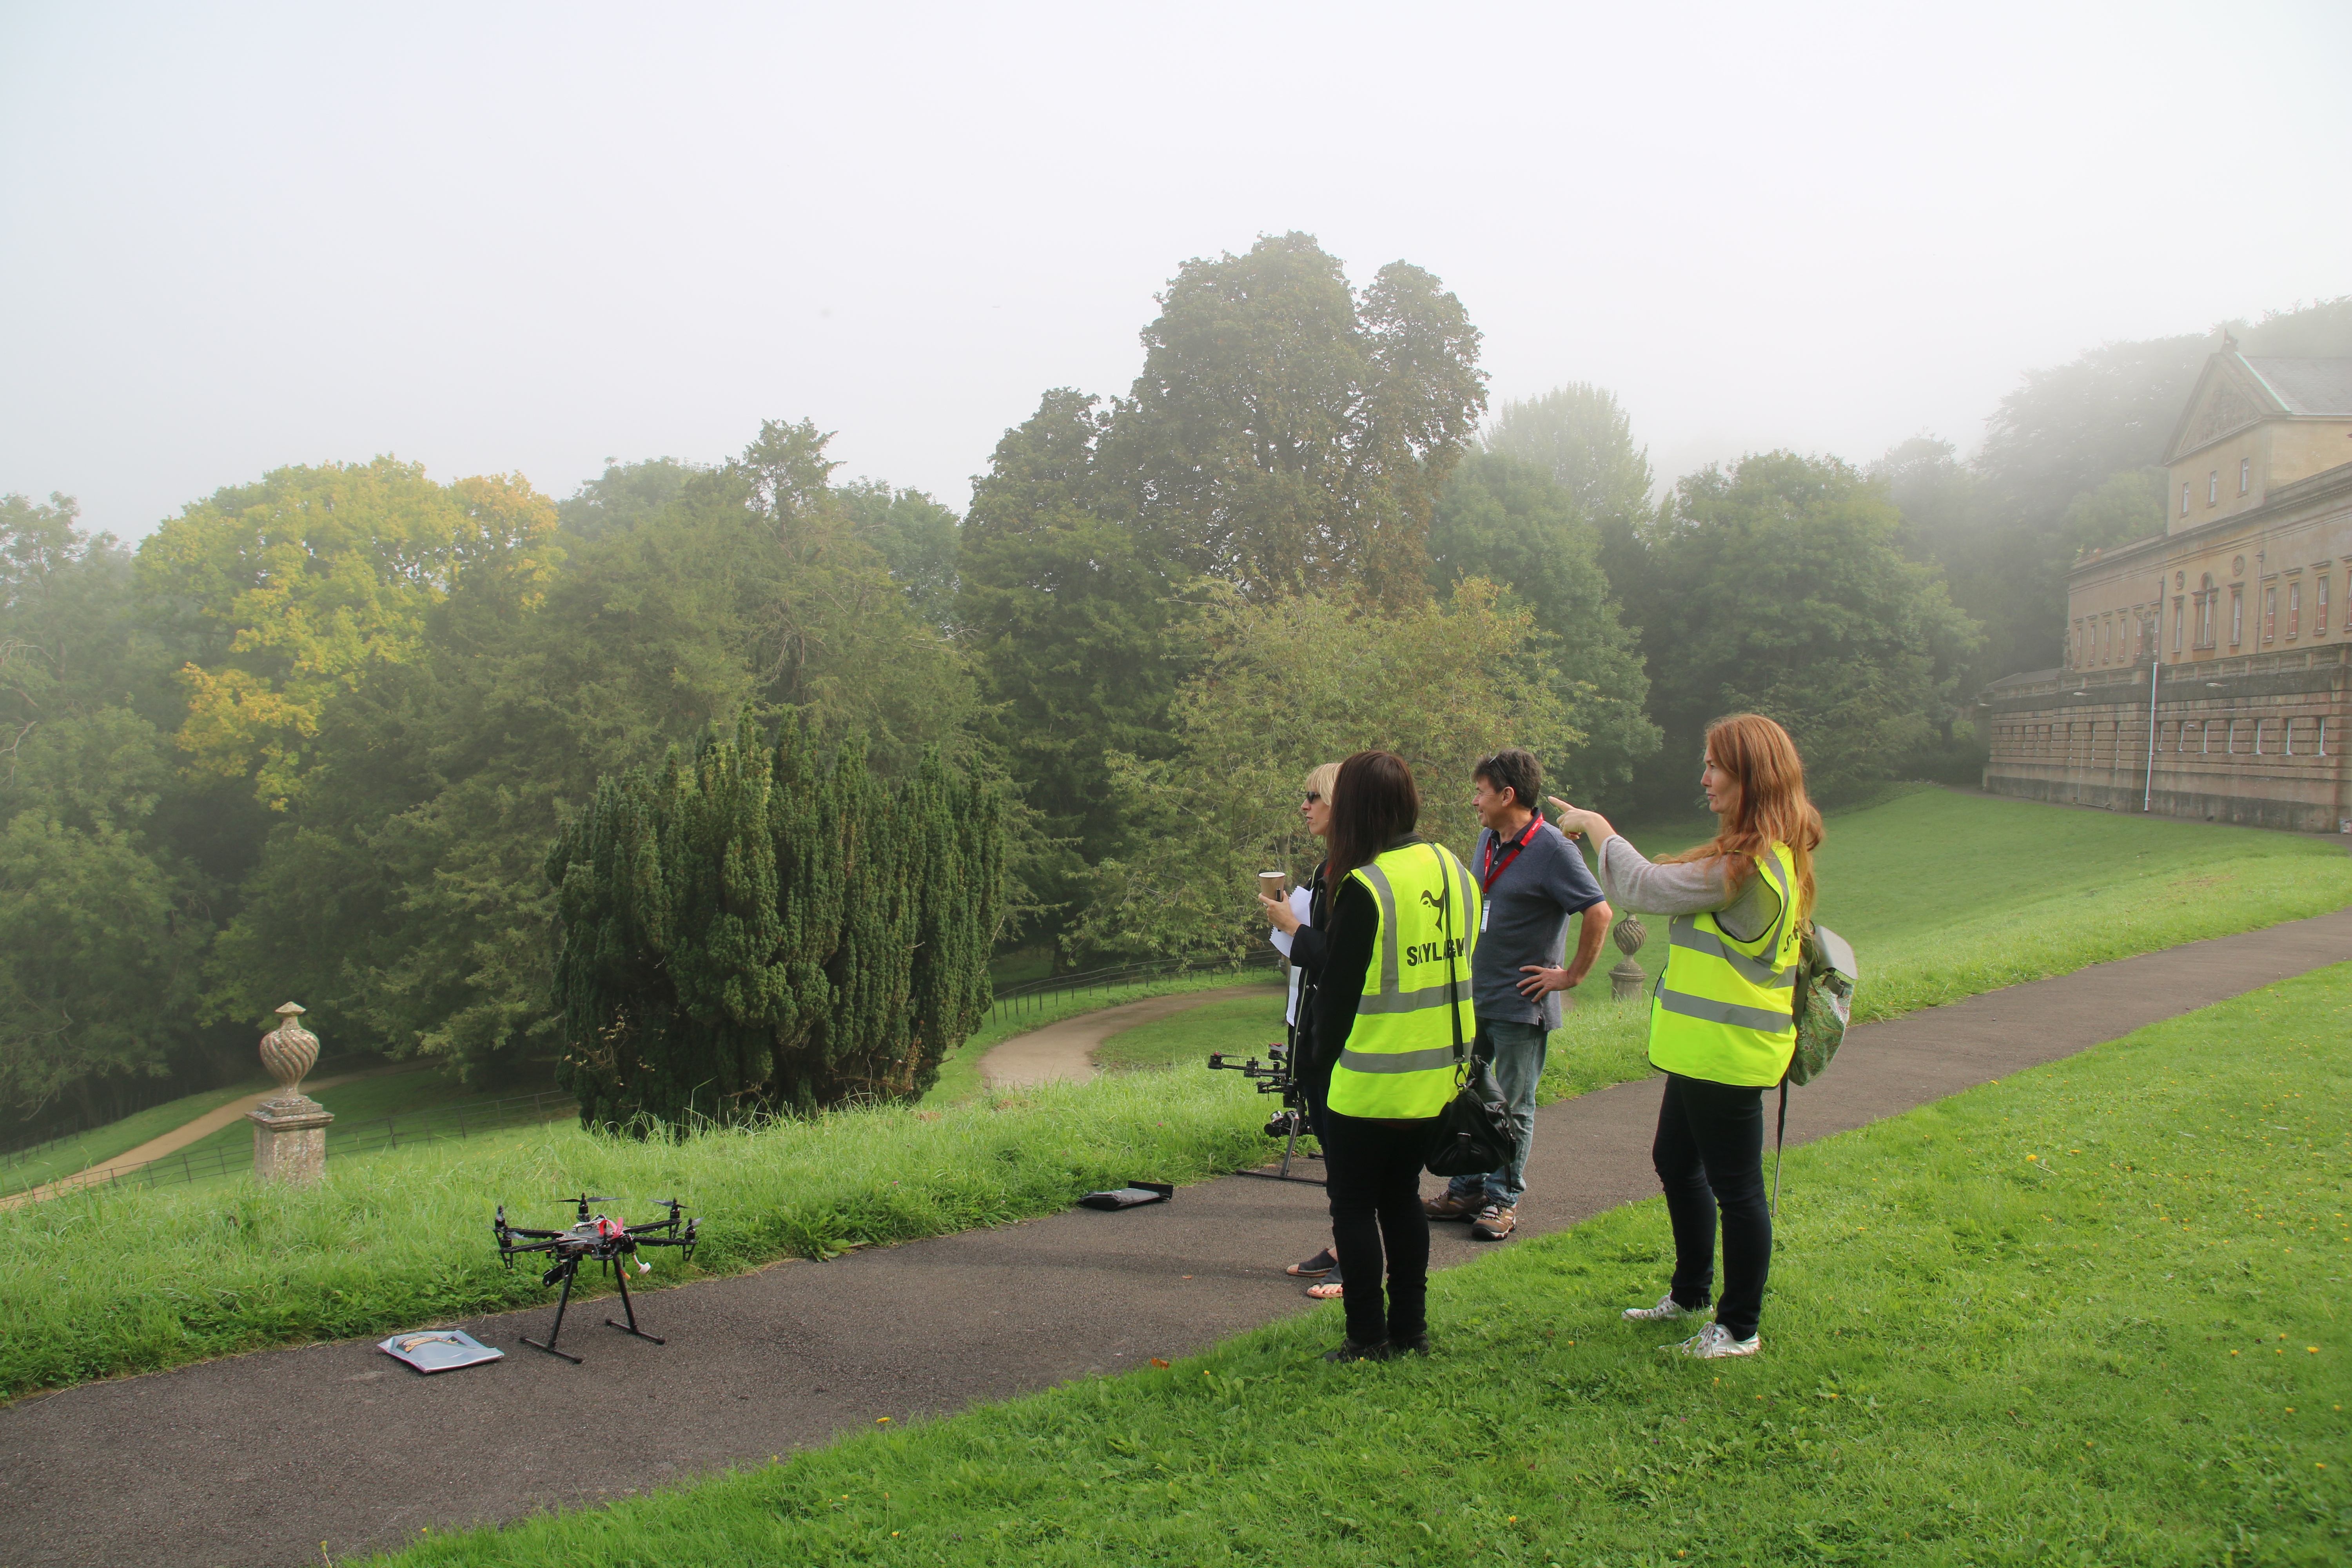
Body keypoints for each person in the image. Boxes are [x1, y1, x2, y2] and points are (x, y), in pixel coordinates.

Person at [1550, 713, 1821, 1359]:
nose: (1704, 779)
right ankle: (1694, 1294)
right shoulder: (1762, 855)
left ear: (1752, 777)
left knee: (1738, 1190)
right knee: (1677, 1162)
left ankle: (1738, 1329)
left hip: (1727, 1054)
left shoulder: (1748, 868)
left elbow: (1641, 887)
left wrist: (1595, 827)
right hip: (1706, 1051)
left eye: (1715, 766)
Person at [1307, 750, 1481, 1362]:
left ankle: (1366, 1336)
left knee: (1353, 1206)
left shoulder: (1367, 884)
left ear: (1353, 807)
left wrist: (1316, 1077)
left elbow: (1338, 999)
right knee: (1402, 1199)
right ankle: (1411, 1327)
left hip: (1368, 1082)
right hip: (1438, 1080)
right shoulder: (1456, 868)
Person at [1423, 748, 1611, 1241]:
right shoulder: (1488, 838)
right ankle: (1466, 1189)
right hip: (1475, 998)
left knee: (1511, 1106)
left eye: (1482, 792)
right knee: (1468, 1098)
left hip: (1520, 1004)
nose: (1474, 801)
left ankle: (1503, 1200)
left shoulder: (1553, 849)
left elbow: (1599, 912)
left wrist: (1569, 976)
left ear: (1509, 795)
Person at [1260, 762, 1345, 1301]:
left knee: (1354, 1158)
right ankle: (1343, 1245)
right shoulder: (1325, 870)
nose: (1304, 805)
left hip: (1345, 1037)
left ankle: (1360, 1260)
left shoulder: (1357, 876)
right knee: (1336, 1155)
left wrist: (1294, 927)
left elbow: (1339, 960)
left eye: (1313, 796)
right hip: (1313, 1029)